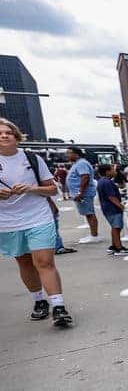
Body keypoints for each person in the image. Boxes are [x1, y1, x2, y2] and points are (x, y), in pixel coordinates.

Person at [0, 118, 74, 327]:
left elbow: (52, 189)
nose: (4, 135)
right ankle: (39, 300)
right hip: (7, 222)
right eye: (0, 133)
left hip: (37, 217)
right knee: (24, 263)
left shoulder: (32, 159)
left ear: (16, 136)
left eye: (8, 132)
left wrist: (32, 189)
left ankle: (58, 307)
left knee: (44, 262)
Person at [66, 146, 101, 244]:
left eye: (69, 153)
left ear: (76, 154)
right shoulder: (78, 163)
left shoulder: (81, 163)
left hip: (83, 194)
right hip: (81, 193)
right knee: (87, 213)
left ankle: (94, 236)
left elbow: (85, 177)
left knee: (89, 213)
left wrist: (80, 192)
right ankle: (93, 234)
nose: (67, 155)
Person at [96, 164, 128, 255]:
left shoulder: (102, 181)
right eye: (112, 170)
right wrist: (121, 206)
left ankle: (114, 245)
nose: (115, 172)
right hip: (112, 208)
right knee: (116, 227)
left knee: (115, 227)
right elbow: (111, 197)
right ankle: (119, 247)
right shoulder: (107, 182)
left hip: (107, 208)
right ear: (107, 172)